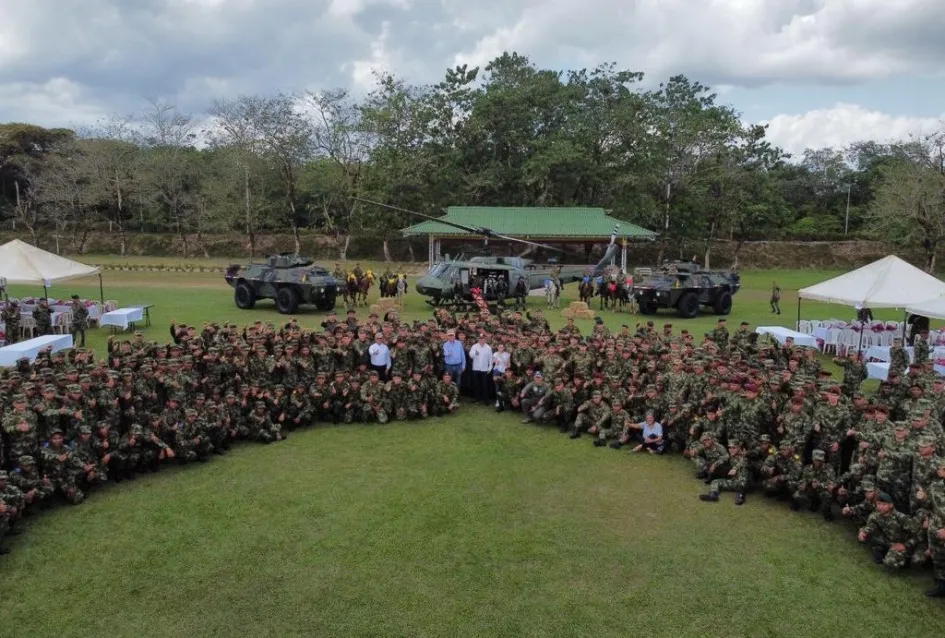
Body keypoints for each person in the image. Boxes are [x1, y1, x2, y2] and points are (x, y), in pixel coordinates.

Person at [468, 333, 493, 404]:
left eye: (483, 339)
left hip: (484, 369)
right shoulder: (474, 346)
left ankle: (486, 400)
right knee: (476, 384)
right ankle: (477, 399)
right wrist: (475, 353)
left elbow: (490, 359)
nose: (481, 340)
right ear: (478, 339)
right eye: (480, 339)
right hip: (475, 368)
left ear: (485, 339)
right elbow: (471, 355)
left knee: (485, 385)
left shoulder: (488, 347)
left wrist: (490, 368)